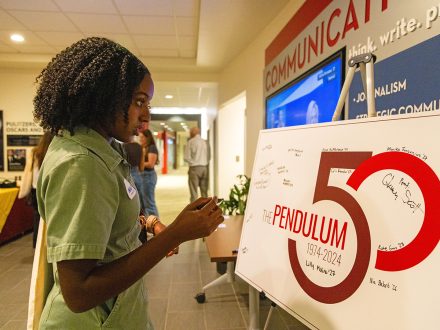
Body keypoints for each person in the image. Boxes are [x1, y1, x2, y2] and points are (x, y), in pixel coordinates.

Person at [32, 37, 223, 329]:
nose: (147, 115)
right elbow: (78, 293)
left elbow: (107, 223)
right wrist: (173, 235)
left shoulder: (98, 149)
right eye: (139, 102)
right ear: (105, 96)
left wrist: (148, 225)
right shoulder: (82, 163)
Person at [18, 131, 54, 248]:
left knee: (37, 217)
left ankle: (36, 244)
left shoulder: (35, 152)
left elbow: (28, 172)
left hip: (35, 189)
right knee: (50, 217)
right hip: (49, 188)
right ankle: (48, 243)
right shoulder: (54, 152)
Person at [184, 127, 210, 202]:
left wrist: (193, 162)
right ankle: (206, 210)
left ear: (192, 133)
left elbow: (186, 157)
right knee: (204, 193)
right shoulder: (205, 142)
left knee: (194, 192)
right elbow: (209, 156)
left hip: (194, 168)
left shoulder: (191, 142)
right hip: (205, 168)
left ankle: (195, 211)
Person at [139, 129, 159, 217]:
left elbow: (151, 164)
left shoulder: (152, 148)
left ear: (148, 138)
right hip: (143, 176)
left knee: (149, 203)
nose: (141, 139)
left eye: (142, 137)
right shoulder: (143, 148)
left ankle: (156, 225)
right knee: (144, 202)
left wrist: (139, 163)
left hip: (149, 176)